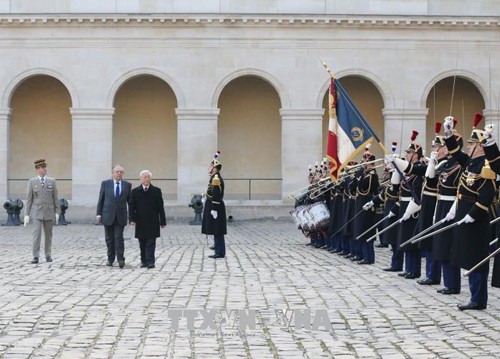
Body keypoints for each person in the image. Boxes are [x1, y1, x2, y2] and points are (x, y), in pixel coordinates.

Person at [443, 113, 496, 310]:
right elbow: (456, 153)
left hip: (477, 217)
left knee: (476, 258)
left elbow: (487, 195)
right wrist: (448, 134)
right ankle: (476, 297)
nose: (468, 146)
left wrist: (473, 214)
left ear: (480, 146)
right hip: (464, 211)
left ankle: (478, 299)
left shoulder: (486, 166)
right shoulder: (471, 162)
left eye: (472, 144)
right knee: (467, 255)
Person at [24, 158, 60, 264]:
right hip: (37, 212)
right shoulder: (32, 182)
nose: (45, 169)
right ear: (37, 169)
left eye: (45, 167)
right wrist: (26, 214)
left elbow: (55, 198)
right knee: (37, 234)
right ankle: (35, 256)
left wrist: (57, 211)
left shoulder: (52, 181)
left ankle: (48, 254)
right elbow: (29, 199)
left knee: (48, 235)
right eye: (42, 167)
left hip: (49, 212)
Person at [128, 170, 166, 269]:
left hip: (153, 221)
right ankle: (144, 261)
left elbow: (160, 207)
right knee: (142, 242)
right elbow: (131, 207)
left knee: (151, 242)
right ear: (140, 179)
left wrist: (162, 221)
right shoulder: (135, 191)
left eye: (148, 177)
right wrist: (132, 219)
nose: (147, 179)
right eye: (145, 177)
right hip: (140, 221)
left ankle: (150, 261)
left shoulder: (156, 191)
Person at [96, 165, 132, 268]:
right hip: (107, 215)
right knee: (109, 239)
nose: (119, 173)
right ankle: (110, 259)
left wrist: (132, 217)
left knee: (119, 238)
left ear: (123, 174)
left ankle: (121, 259)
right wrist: (98, 214)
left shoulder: (127, 185)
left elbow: (130, 202)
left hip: (121, 216)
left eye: (121, 172)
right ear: (113, 173)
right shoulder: (105, 184)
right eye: (117, 171)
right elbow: (101, 199)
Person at [202, 151, 227, 259]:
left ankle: (220, 252)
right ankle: (217, 248)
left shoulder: (216, 179)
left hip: (215, 207)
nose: (209, 168)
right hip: (212, 205)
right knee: (215, 229)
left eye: (211, 166)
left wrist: (214, 209)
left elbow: (216, 195)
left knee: (217, 230)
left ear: (215, 169)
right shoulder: (213, 177)